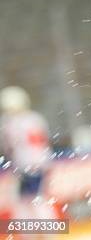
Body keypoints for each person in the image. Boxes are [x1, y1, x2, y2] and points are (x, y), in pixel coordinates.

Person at [0, 86, 56, 220]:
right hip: (42, 161)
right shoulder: (35, 118)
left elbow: (9, 147)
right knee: (35, 198)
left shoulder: (9, 122)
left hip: (25, 164)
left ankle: (38, 233)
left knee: (26, 201)